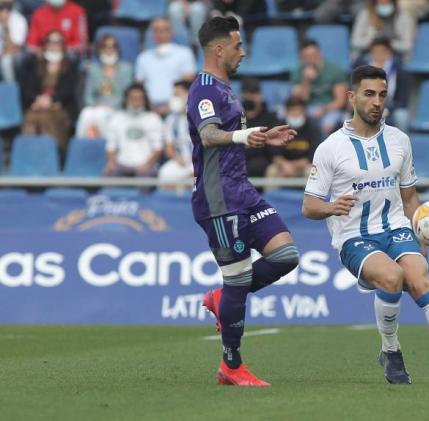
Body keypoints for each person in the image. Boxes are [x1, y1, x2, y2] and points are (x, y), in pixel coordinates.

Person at [302, 65, 429, 387]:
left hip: (396, 227)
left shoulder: (399, 141)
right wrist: (330, 207)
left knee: (420, 279)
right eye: (369, 94)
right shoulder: (331, 148)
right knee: (392, 277)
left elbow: (410, 197)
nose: (377, 102)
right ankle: (391, 351)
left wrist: (422, 231)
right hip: (354, 236)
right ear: (352, 97)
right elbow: (309, 206)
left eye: (382, 95)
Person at [189, 16, 299, 387]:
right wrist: (243, 136)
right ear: (219, 49)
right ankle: (231, 366)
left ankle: (224, 297)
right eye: (238, 46)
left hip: (243, 190)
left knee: (286, 255)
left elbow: (232, 135)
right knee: (239, 277)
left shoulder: (226, 89)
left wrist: (262, 138)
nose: (244, 52)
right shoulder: (204, 90)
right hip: (219, 198)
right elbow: (208, 136)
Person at [19, 30, 78, 152]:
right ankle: (29, 156)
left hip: (60, 107)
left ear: (63, 45)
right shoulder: (35, 64)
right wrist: (38, 100)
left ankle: (50, 156)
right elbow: (27, 88)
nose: (54, 45)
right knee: (31, 118)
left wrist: (50, 100)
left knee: (43, 119)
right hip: (37, 106)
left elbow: (69, 89)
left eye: (58, 42)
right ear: (45, 45)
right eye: (50, 42)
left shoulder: (71, 66)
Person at [76, 34, 133, 139]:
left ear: (117, 49)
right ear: (99, 50)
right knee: (85, 113)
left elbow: (127, 95)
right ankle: (82, 145)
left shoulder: (127, 69)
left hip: (118, 108)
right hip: (97, 107)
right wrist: (95, 105)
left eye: (112, 47)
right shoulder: (93, 69)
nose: (109, 50)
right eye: (105, 47)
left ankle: (107, 146)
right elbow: (88, 95)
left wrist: (109, 106)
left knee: (101, 115)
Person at [135, 17, 196, 114]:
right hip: (149, 109)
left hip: (178, 107)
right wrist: (150, 107)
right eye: (156, 30)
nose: (160, 34)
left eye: (164, 30)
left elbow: (187, 84)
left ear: (171, 32)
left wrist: (170, 107)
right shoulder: (143, 58)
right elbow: (139, 87)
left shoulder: (185, 53)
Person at [103, 83, 163, 177]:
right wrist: (111, 162)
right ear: (126, 99)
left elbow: (157, 148)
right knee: (108, 173)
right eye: (133, 98)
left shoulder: (153, 118)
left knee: (147, 177)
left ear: (144, 100)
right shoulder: (116, 118)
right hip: (121, 164)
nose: (136, 102)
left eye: (139, 99)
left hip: (145, 164)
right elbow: (110, 147)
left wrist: (147, 164)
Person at [291, 39, 347, 136]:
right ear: (302, 58)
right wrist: (306, 81)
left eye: (314, 55)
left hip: (330, 108)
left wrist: (323, 110)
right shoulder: (298, 71)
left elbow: (340, 101)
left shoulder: (334, 70)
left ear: (320, 53)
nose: (312, 59)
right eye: (307, 57)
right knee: (294, 120)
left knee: (326, 125)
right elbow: (299, 101)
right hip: (308, 108)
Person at [266, 96, 321, 178]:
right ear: (287, 112)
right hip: (283, 166)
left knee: (312, 171)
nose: (295, 113)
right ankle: (270, 192)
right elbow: (275, 155)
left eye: (298, 111)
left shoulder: (312, 128)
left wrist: (293, 166)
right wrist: (284, 165)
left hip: (304, 166)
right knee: (271, 170)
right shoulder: (279, 128)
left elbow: (313, 157)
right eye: (292, 110)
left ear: (304, 112)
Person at [363, 37, 410, 130]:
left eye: (382, 51)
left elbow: (403, 99)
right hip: (366, 104)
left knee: (402, 116)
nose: (378, 55)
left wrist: (388, 108)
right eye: (375, 51)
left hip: (392, 105)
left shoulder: (399, 69)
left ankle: (403, 144)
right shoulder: (362, 67)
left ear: (389, 52)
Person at [241, 77, 282, 177]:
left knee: (271, 169)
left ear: (260, 95)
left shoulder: (271, 117)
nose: (250, 97)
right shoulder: (235, 117)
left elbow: (275, 148)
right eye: (247, 93)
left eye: (254, 93)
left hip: (263, 163)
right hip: (239, 162)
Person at [350, 0, 416, 61]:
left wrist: (389, 44)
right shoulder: (365, 14)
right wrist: (372, 41)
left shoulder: (403, 16)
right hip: (368, 54)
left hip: (395, 56)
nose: (384, 1)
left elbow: (408, 45)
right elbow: (355, 42)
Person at [158, 80, 194, 186]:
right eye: (174, 95)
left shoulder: (201, 116)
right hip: (180, 161)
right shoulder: (170, 120)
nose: (175, 98)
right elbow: (169, 148)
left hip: (199, 161)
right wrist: (178, 159)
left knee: (199, 174)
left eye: (178, 94)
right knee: (165, 174)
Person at [0, 0, 27, 82]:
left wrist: (5, 26)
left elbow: (14, 47)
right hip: (2, 53)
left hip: (13, 55)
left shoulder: (18, 19)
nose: (4, 12)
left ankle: (10, 91)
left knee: (6, 61)